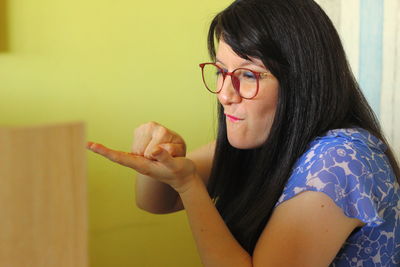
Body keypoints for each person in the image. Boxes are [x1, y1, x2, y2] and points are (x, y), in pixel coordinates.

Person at [86, 0, 400, 266]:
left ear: (301, 82)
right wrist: (156, 154)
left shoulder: (341, 160)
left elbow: (181, 189)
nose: (224, 93)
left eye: (248, 75)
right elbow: (155, 202)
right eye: (221, 71)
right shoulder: (265, 134)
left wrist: (189, 184)